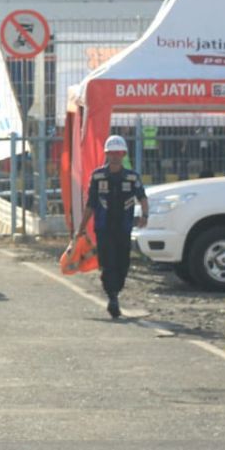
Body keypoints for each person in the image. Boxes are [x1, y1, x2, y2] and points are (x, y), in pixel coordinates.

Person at [73, 134, 149, 319]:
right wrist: (82, 227)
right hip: (103, 227)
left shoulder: (132, 177)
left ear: (123, 154)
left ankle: (116, 291)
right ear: (106, 154)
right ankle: (112, 297)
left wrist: (145, 215)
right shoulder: (97, 176)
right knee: (107, 263)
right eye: (111, 153)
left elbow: (143, 198)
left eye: (118, 153)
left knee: (123, 263)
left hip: (124, 227)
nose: (115, 156)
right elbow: (90, 203)